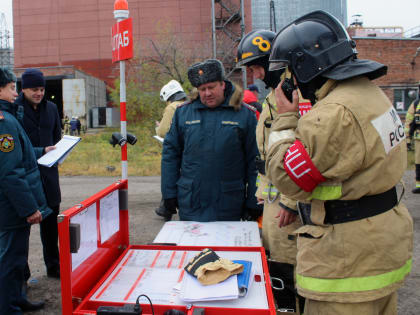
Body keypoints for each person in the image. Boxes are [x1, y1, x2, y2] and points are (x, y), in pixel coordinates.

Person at [266, 10, 413, 314]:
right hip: (381, 247)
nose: (289, 79)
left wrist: (284, 120)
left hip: (346, 265)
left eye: (290, 70)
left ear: (306, 66)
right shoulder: (371, 94)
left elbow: (285, 177)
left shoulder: (332, 115)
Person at [236, 29, 308, 314]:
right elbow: (269, 154)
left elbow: (304, 150)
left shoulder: (298, 95)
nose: (254, 75)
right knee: (275, 262)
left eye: (255, 67)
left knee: (288, 266)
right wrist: (262, 195)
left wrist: (291, 201)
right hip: (274, 200)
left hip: (289, 204)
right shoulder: (274, 97)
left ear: (273, 63)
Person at [161, 59, 259, 221]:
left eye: (211, 87)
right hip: (191, 202)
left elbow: (255, 161)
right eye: (202, 89)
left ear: (223, 84)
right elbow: (170, 156)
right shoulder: (183, 114)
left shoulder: (245, 115)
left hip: (229, 204)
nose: (207, 93)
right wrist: (169, 193)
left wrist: (254, 201)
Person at [0, 67, 53, 313]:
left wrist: (42, 151)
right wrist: (30, 208)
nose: (15, 92)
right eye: (11, 87)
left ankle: (17, 298)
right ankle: (8, 307)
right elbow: (10, 172)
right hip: (11, 209)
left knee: (18, 259)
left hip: (12, 208)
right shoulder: (4, 123)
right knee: (10, 261)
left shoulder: (9, 117)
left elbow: (20, 155)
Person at [15, 68, 62, 279]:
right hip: (25, 178)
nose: (39, 93)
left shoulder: (51, 108)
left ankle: (54, 266)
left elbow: (57, 137)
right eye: (34, 89)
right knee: (21, 230)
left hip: (49, 175)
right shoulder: (14, 111)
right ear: (23, 89)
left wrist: (59, 153)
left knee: (51, 226)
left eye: (42, 89)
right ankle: (22, 273)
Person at [155, 80, 188, 220]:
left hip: (176, 150)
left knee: (170, 177)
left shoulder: (172, 107)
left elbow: (163, 132)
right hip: (190, 149)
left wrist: (158, 126)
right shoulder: (189, 105)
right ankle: (165, 208)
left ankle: (167, 208)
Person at [405, 85, 420, 193]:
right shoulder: (416, 104)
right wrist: (408, 140)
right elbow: (409, 122)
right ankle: (419, 184)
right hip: (419, 139)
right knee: (419, 162)